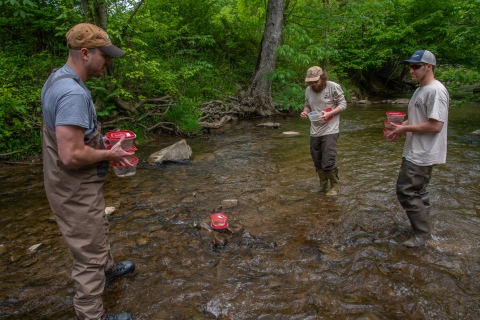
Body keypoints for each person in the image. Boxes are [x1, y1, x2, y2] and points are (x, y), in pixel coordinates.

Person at [41, 23, 135, 320]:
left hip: (71, 185)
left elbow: (71, 139)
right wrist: (110, 153)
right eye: (104, 55)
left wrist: (100, 140)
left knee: (96, 229)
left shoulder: (58, 79)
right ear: (85, 53)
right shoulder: (72, 93)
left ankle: (107, 271)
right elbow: (71, 155)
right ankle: (92, 315)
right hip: (73, 188)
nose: (108, 61)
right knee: (88, 254)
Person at [389, 50, 449, 248]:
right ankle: (422, 229)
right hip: (416, 149)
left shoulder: (436, 91)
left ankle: (422, 236)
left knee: (405, 190)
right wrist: (399, 128)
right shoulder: (420, 90)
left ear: (428, 67)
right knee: (419, 191)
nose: (411, 70)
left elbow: (435, 126)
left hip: (424, 152)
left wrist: (404, 128)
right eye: (410, 66)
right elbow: (418, 120)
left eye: (415, 66)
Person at [300, 66, 347, 196]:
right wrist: (305, 112)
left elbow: (343, 104)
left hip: (330, 129)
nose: (313, 84)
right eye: (310, 82)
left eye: (316, 81)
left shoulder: (333, 87)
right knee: (317, 159)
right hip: (315, 130)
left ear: (322, 77)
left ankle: (334, 186)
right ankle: (322, 184)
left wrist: (330, 113)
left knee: (328, 159)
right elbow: (308, 105)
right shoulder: (308, 90)